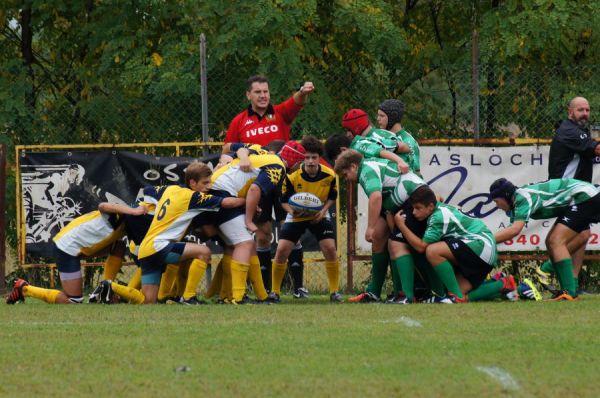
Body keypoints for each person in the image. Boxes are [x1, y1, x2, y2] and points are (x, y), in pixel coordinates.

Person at [225, 75, 314, 291]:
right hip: (258, 184)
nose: (263, 95)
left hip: (283, 179)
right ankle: (265, 290)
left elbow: (297, 102)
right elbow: (227, 148)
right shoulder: (239, 121)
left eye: (266, 91)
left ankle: (298, 288)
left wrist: (303, 91)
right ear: (249, 95)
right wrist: (230, 158)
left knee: (289, 231)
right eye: (258, 92)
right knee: (263, 234)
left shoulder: (280, 113)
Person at [133, 162, 245, 304]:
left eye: (209, 182)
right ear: (192, 182)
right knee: (204, 252)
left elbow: (148, 189)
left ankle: (111, 287)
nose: (208, 186)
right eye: (205, 183)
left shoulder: (170, 189)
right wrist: (248, 200)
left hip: (146, 248)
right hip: (159, 246)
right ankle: (188, 297)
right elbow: (227, 203)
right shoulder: (193, 197)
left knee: (148, 302)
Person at [334, 149, 436, 303]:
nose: (347, 179)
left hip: (412, 197)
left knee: (397, 244)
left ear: (354, 166)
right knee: (381, 238)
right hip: (400, 201)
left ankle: (410, 293)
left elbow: (376, 197)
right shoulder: (368, 165)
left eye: (345, 174)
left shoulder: (366, 171)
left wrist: (370, 227)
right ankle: (379, 292)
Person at [394, 185, 521, 303]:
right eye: (413, 208)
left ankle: (454, 296)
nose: (414, 213)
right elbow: (436, 197)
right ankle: (501, 284)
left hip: (480, 246)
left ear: (431, 207)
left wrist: (401, 225)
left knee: (432, 250)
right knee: (462, 294)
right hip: (486, 251)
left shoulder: (437, 217)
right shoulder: (438, 208)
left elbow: (421, 247)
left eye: (418, 208)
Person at [6, 204, 142, 305]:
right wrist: (134, 211)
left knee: (118, 245)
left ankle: (106, 288)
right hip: (66, 248)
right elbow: (102, 206)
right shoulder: (122, 215)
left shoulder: (132, 225)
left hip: (78, 246)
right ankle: (24, 288)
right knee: (74, 301)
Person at [490, 177, 600, 301]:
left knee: (555, 241)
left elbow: (514, 230)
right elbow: (510, 229)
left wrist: (485, 240)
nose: (497, 206)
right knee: (578, 236)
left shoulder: (522, 198)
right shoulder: (517, 199)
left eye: (496, 201)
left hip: (583, 197)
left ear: (506, 196)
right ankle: (570, 286)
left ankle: (568, 292)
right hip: (583, 196)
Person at [268, 136, 342, 303]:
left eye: (314, 157)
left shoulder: (329, 175)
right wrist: (293, 213)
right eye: (306, 157)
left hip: (319, 214)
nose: (310, 161)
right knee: (281, 250)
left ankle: (334, 292)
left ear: (319, 158)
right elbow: (284, 201)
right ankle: (274, 292)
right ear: (302, 158)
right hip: (297, 215)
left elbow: (332, 196)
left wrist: (323, 211)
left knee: (330, 248)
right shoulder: (293, 176)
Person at [541, 96, 600, 293]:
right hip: (565, 192)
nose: (585, 113)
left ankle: (572, 283)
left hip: (577, 193)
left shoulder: (579, 131)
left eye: (587, 110)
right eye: (580, 110)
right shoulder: (569, 131)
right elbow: (597, 148)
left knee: (583, 233)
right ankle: (548, 268)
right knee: (578, 235)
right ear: (570, 112)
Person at [377, 99, 421, 174]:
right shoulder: (378, 136)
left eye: (382, 116)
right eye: (378, 115)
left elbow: (416, 172)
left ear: (392, 118)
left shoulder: (408, 141)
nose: (378, 119)